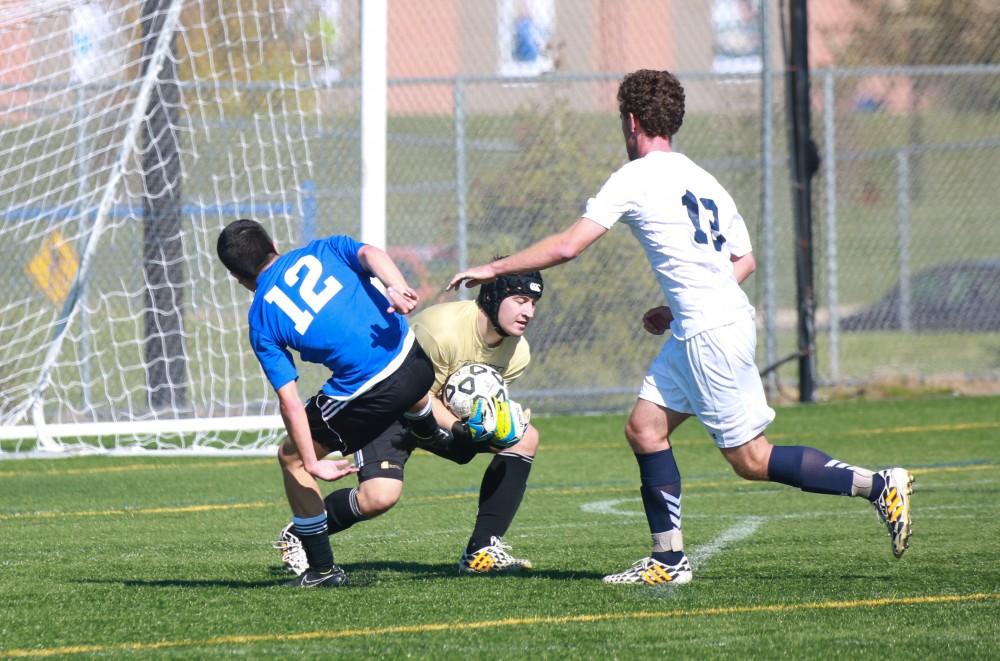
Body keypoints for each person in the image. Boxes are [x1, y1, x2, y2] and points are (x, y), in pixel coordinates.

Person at [447, 69, 913, 586]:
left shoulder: (636, 177)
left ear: (631, 121)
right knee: (645, 430)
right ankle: (668, 561)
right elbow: (745, 260)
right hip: (706, 325)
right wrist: (676, 307)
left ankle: (877, 485)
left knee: (751, 459)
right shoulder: (705, 179)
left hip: (710, 333)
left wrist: (494, 268)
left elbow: (567, 246)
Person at [217, 218, 439, 588]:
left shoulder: (261, 317)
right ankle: (428, 426)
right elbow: (372, 253)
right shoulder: (323, 248)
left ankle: (321, 571)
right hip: (417, 363)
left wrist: (310, 462)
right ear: (274, 245)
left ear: (237, 277)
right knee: (387, 398)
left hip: (372, 394)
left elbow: (289, 402)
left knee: (289, 457)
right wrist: (397, 287)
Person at [274, 271, 541, 575]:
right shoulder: (443, 329)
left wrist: (491, 423)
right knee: (378, 497)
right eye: (520, 300)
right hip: (391, 408)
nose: (528, 312)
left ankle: (482, 552)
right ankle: (299, 532)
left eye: (533, 303)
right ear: (493, 297)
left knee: (524, 437)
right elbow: (412, 391)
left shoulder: (518, 352)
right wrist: (457, 429)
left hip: (442, 416)